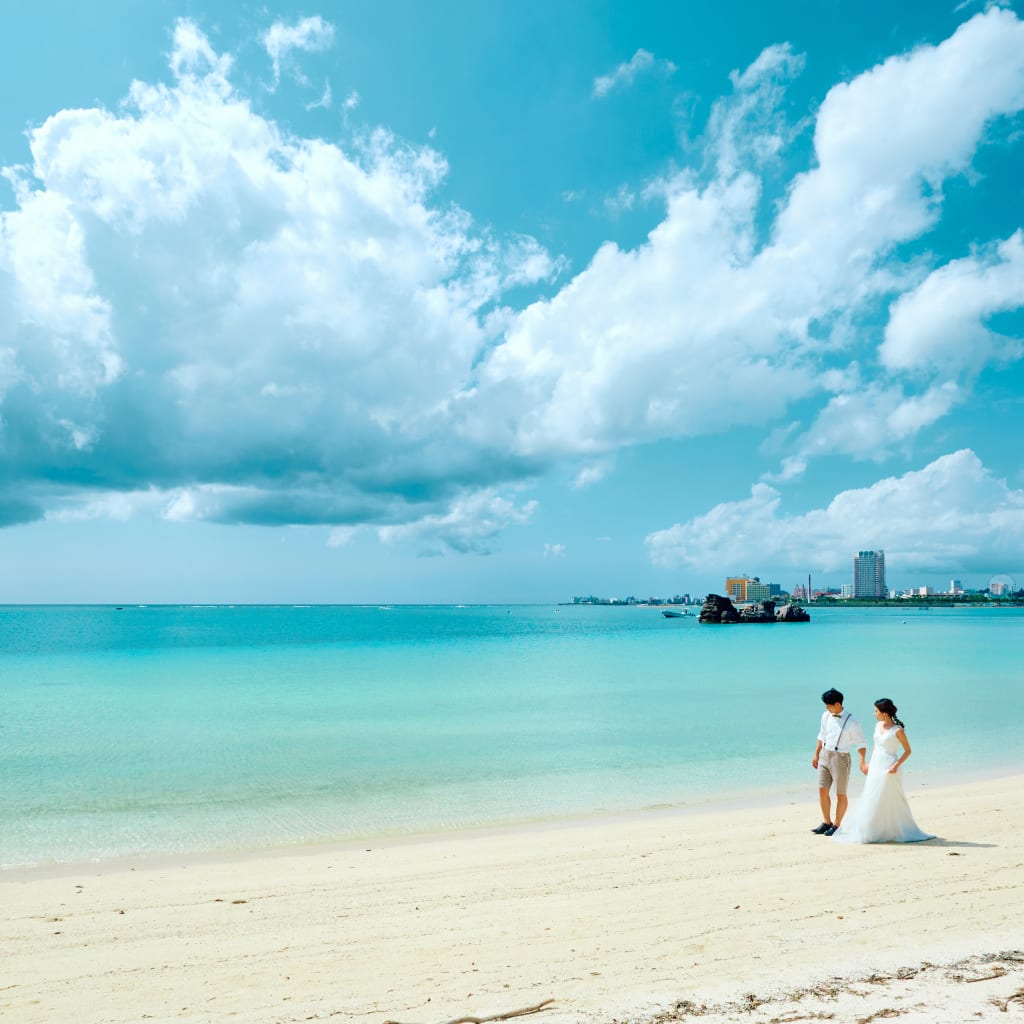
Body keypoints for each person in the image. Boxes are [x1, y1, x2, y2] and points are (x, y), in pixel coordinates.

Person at [833, 698, 934, 844]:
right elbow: (876, 746)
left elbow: (908, 751)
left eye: (876, 711)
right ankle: (870, 831)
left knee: (890, 799)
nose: (874, 714)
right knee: (871, 797)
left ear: (884, 712)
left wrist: (896, 765)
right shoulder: (878, 725)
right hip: (876, 766)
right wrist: (868, 763)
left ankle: (894, 830)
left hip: (889, 767)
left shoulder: (897, 731)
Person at [811, 688, 867, 836]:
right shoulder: (825, 716)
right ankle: (826, 822)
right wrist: (816, 754)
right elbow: (821, 735)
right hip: (824, 755)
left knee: (840, 794)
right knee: (822, 790)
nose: (826, 708)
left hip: (841, 758)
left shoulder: (852, 722)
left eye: (828, 705)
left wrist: (862, 762)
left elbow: (861, 744)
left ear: (837, 704)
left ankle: (837, 825)